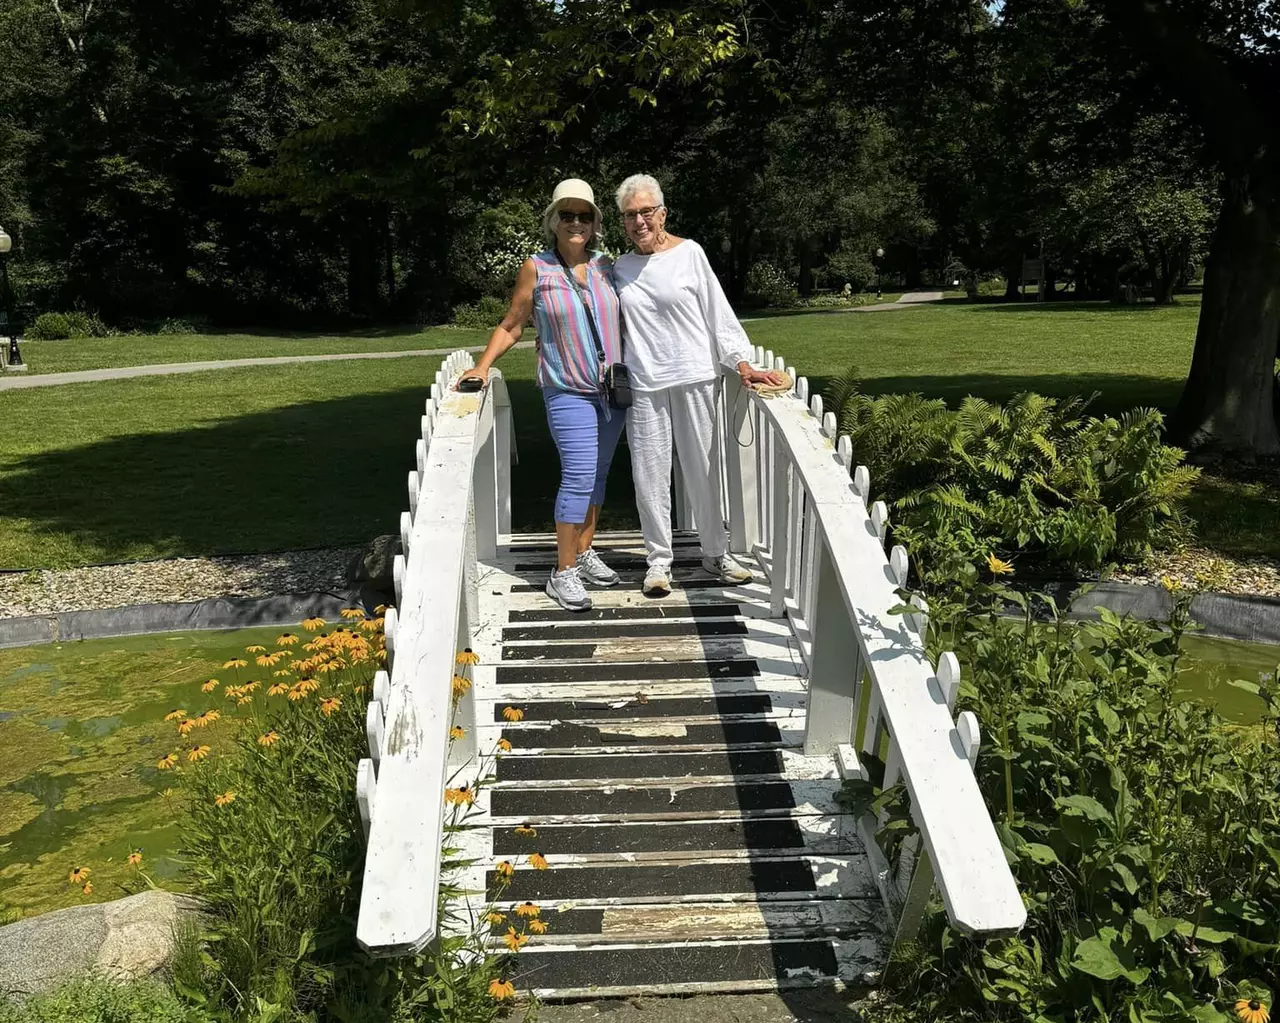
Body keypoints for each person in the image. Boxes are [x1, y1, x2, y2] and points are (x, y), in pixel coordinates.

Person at [458, 179, 625, 612]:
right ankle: (562, 571)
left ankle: (584, 552)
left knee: (599, 475)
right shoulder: (538, 268)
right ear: (553, 220)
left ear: (595, 223)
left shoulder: (608, 267)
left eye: (584, 215)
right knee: (579, 474)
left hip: (611, 392)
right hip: (567, 389)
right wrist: (482, 365)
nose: (576, 223)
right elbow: (513, 324)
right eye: (567, 214)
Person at [612, 174, 783, 597]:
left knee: (704, 469)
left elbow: (717, 312)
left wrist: (741, 363)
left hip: (694, 376)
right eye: (630, 215)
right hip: (644, 383)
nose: (639, 221)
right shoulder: (619, 267)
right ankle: (658, 561)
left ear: (663, 214)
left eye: (646, 212)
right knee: (648, 475)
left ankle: (715, 553)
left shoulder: (690, 253)